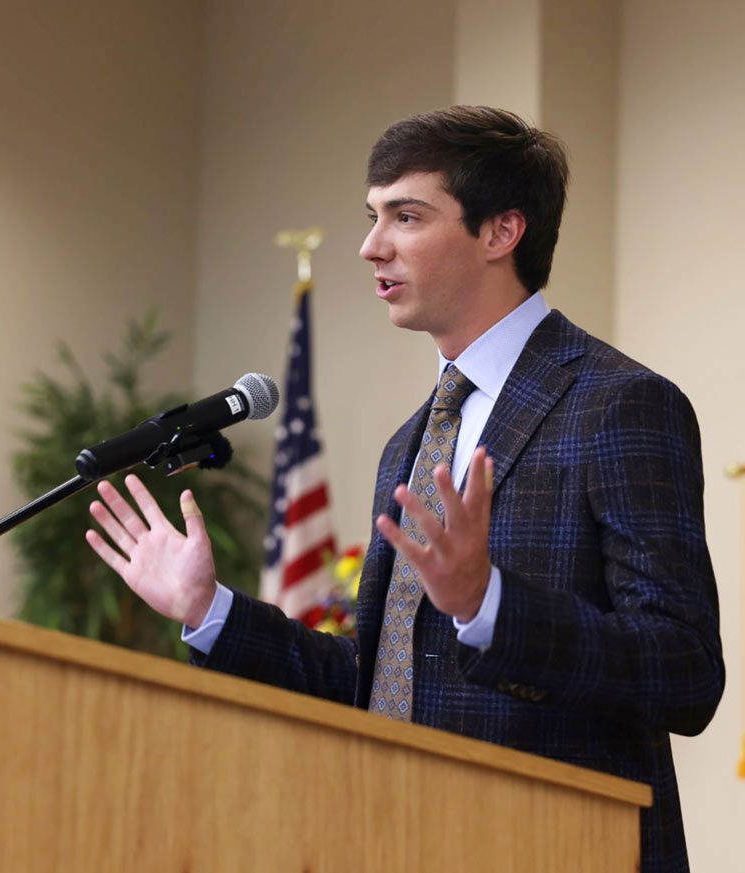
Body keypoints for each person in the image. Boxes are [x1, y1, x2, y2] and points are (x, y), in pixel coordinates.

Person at [85, 106, 724, 873]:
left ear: (501, 232)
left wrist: (489, 604)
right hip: (399, 839)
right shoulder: (411, 442)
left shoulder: (618, 403)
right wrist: (210, 611)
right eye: (372, 216)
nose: (370, 245)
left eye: (406, 216)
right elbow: (383, 681)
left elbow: (685, 671)